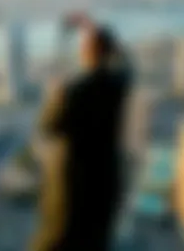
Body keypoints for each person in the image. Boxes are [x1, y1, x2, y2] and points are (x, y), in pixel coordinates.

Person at [31, 14, 136, 251]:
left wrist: (54, 95)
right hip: (106, 181)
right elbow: (127, 63)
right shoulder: (118, 85)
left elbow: (48, 127)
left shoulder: (72, 92)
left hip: (74, 186)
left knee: (57, 239)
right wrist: (97, 31)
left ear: (85, 53)